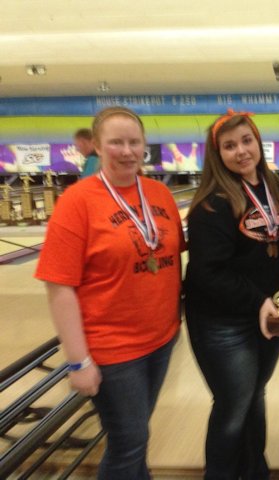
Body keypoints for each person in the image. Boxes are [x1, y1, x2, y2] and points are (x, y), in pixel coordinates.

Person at [35, 106, 185, 479]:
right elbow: (59, 286)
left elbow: (172, 252)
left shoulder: (160, 194)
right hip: (112, 349)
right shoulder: (76, 202)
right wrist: (77, 361)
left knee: (136, 436)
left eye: (134, 142)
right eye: (115, 142)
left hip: (161, 340)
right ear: (98, 148)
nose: (127, 150)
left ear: (144, 146)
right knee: (128, 442)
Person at [184, 109, 279, 479]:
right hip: (223, 322)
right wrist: (259, 300)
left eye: (247, 141)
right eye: (229, 146)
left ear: (258, 142)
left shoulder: (277, 190)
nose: (241, 151)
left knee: (254, 399)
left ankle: (254, 472)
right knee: (233, 406)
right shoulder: (212, 204)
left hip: (267, 317)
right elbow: (207, 273)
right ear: (218, 154)